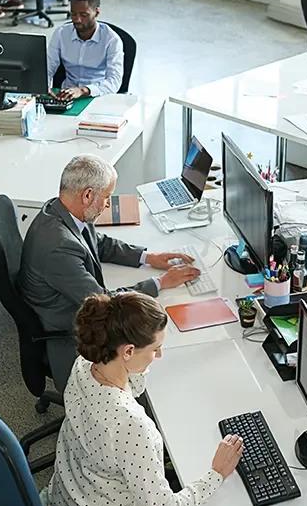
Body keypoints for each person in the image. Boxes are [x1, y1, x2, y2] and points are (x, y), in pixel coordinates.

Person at [47, 291, 243, 506]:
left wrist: (140, 356)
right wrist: (216, 474)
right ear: (127, 351)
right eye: (155, 349)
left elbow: (132, 385)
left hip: (79, 496)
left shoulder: (85, 366)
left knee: (180, 472)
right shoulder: (130, 426)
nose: (160, 354)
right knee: (217, 503)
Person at [19, 154, 200, 392]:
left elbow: (99, 243)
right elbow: (105, 302)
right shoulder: (57, 247)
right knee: (155, 340)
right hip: (67, 326)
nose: (108, 203)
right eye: (107, 197)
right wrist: (159, 283)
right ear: (87, 195)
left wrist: (147, 257)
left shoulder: (64, 208)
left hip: (70, 301)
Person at [45, 0, 124, 100]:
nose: (77, 20)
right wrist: (44, 85)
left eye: (83, 15)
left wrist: (83, 90)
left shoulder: (112, 40)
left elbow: (114, 81)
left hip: (98, 95)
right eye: (73, 14)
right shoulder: (61, 33)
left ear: (96, 13)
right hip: (65, 96)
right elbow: (48, 67)